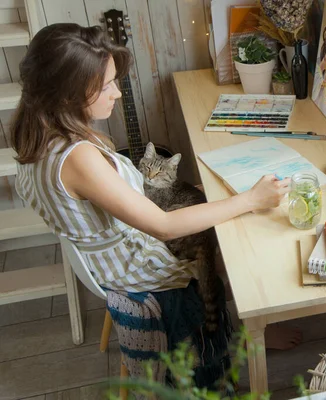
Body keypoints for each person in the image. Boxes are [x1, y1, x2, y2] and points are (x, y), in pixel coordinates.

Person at [10, 23, 292, 391]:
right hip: (140, 269)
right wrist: (250, 199)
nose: (116, 92)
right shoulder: (77, 158)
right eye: (106, 84)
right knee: (235, 237)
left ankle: (243, 331)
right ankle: (247, 333)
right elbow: (163, 227)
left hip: (111, 255)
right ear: (67, 93)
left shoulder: (33, 129)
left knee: (219, 214)